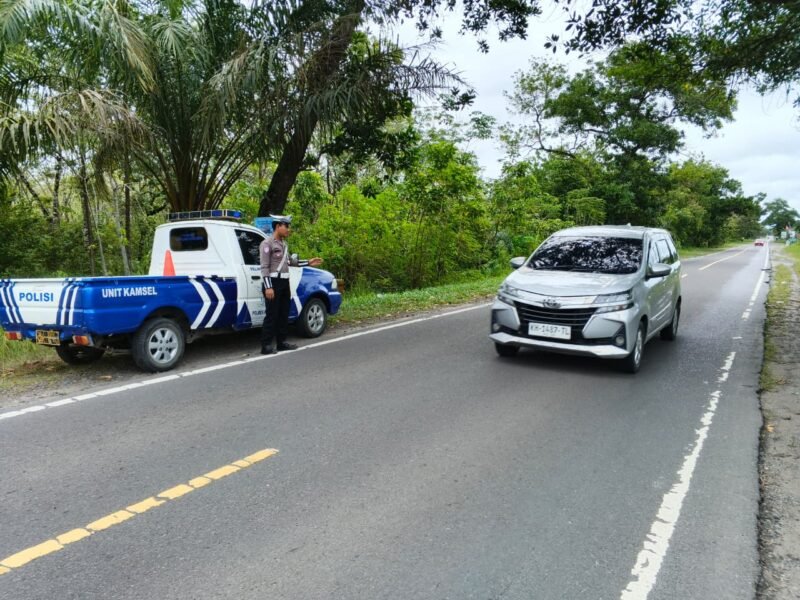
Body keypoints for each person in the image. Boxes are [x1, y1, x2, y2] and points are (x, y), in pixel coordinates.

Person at [259, 214, 322, 354]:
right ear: (277, 226)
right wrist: (268, 286)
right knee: (272, 314)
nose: (288, 229)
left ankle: (281, 342)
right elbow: (264, 267)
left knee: (284, 313)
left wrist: (308, 262)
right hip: (273, 282)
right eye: (286, 226)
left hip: (284, 282)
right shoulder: (267, 244)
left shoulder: (283, 244)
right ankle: (266, 345)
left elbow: (290, 262)